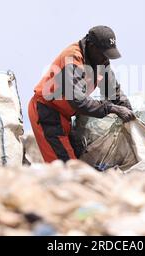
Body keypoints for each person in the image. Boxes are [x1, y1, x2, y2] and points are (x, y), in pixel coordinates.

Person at [28, 25, 135, 163]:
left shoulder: (101, 62)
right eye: (103, 54)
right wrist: (112, 108)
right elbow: (78, 101)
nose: (105, 59)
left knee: (81, 160)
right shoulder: (72, 57)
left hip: (66, 116)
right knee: (66, 167)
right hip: (47, 112)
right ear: (91, 46)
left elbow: (114, 93)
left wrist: (132, 116)